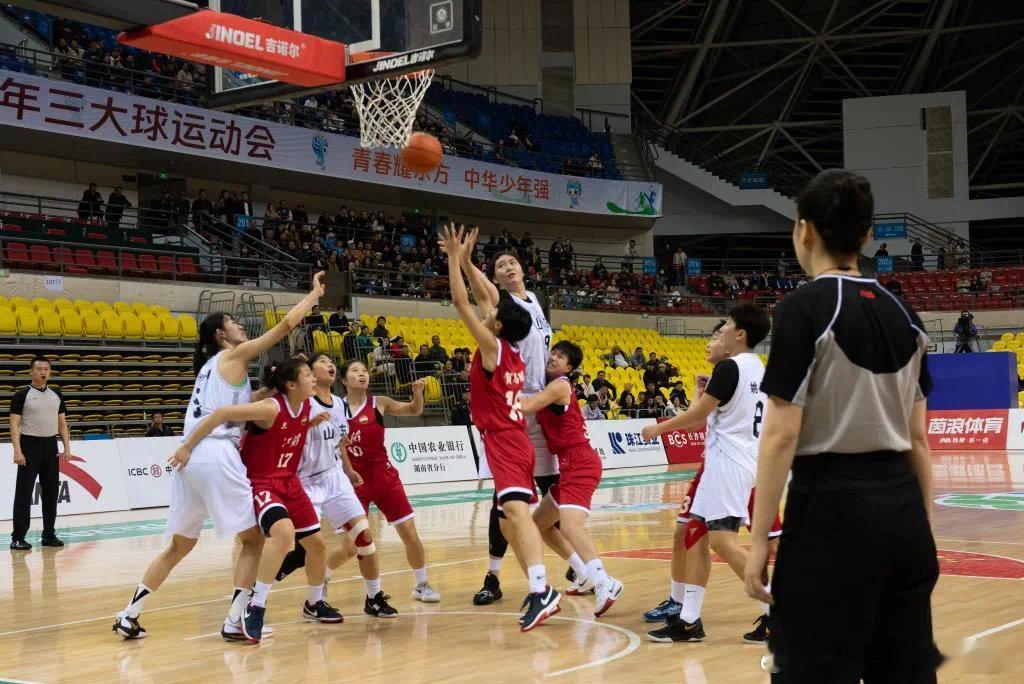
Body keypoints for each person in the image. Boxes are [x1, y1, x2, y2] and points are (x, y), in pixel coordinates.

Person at [743, 169, 940, 682]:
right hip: (902, 511)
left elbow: (782, 434)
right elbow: (919, 439)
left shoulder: (804, 308)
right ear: (867, 235)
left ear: (804, 231)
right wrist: (923, 531)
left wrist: (760, 538)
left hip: (831, 512)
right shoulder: (907, 314)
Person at [113, 272, 325, 641]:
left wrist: (188, 446)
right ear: (222, 335)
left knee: (180, 545)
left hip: (193, 459)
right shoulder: (235, 354)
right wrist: (313, 294)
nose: (241, 326)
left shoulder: (213, 370)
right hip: (214, 452)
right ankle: (234, 620)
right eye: (234, 323)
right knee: (253, 541)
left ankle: (129, 613)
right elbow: (287, 325)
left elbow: (248, 403)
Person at [440, 224, 561, 631]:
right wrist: (466, 261)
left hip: (509, 431)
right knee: (512, 513)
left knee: (518, 511)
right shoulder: (512, 348)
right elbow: (482, 297)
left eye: (491, 313)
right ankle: (535, 582)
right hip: (515, 424)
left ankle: (544, 586)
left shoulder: (496, 345)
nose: (486, 312)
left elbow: (461, 301)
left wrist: (454, 259)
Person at [172, 357, 341, 642]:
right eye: (307, 375)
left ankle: (314, 604)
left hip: (290, 482)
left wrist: (311, 423)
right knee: (284, 536)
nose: (313, 379)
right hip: (263, 482)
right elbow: (221, 412)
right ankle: (256, 605)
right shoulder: (269, 408)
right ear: (290, 384)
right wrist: (187, 445)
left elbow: (289, 431)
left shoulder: (306, 406)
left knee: (317, 546)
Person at [642, 305, 775, 644]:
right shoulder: (756, 367)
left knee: (721, 539)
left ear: (740, 333)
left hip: (729, 465)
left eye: (727, 325)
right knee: (695, 535)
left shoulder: (730, 367)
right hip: (736, 461)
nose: (722, 330)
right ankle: (689, 620)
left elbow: (697, 417)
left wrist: (659, 430)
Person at [275, 354, 397, 619]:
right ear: (308, 371)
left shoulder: (341, 404)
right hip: (305, 479)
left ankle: (373, 597)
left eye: (332, 362)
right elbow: (282, 432)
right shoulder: (302, 402)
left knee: (364, 536)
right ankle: (262, 588)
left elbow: (340, 440)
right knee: (303, 548)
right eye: (322, 362)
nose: (330, 365)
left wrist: (349, 469)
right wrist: (306, 423)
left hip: (334, 477)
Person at [522, 341, 623, 616]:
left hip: (580, 461)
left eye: (561, 356)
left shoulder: (560, 385)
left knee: (570, 524)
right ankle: (583, 572)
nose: (553, 358)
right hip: (567, 465)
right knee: (539, 525)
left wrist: (497, 392)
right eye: (552, 353)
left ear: (569, 367)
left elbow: (528, 405)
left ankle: (604, 581)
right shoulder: (550, 385)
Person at [337, 361, 440, 603]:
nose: (362, 374)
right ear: (343, 380)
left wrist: (417, 394)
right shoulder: (335, 408)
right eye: (355, 371)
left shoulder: (379, 402)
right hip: (353, 479)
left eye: (365, 371)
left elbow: (414, 411)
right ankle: (325, 584)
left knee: (409, 532)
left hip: (383, 475)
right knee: (352, 545)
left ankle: (421, 585)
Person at [9, 357, 72, 550]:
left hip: (50, 446)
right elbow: (14, 424)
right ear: (31, 372)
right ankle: (18, 537)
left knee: (51, 493)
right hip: (29, 446)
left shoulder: (56, 394)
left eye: (46, 369)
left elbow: (62, 423)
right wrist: (17, 450)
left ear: (50, 372)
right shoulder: (22, 395)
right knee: (24, 493)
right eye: (39, 369)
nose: (43, 372)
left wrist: (67, 448)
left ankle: (49, 535)